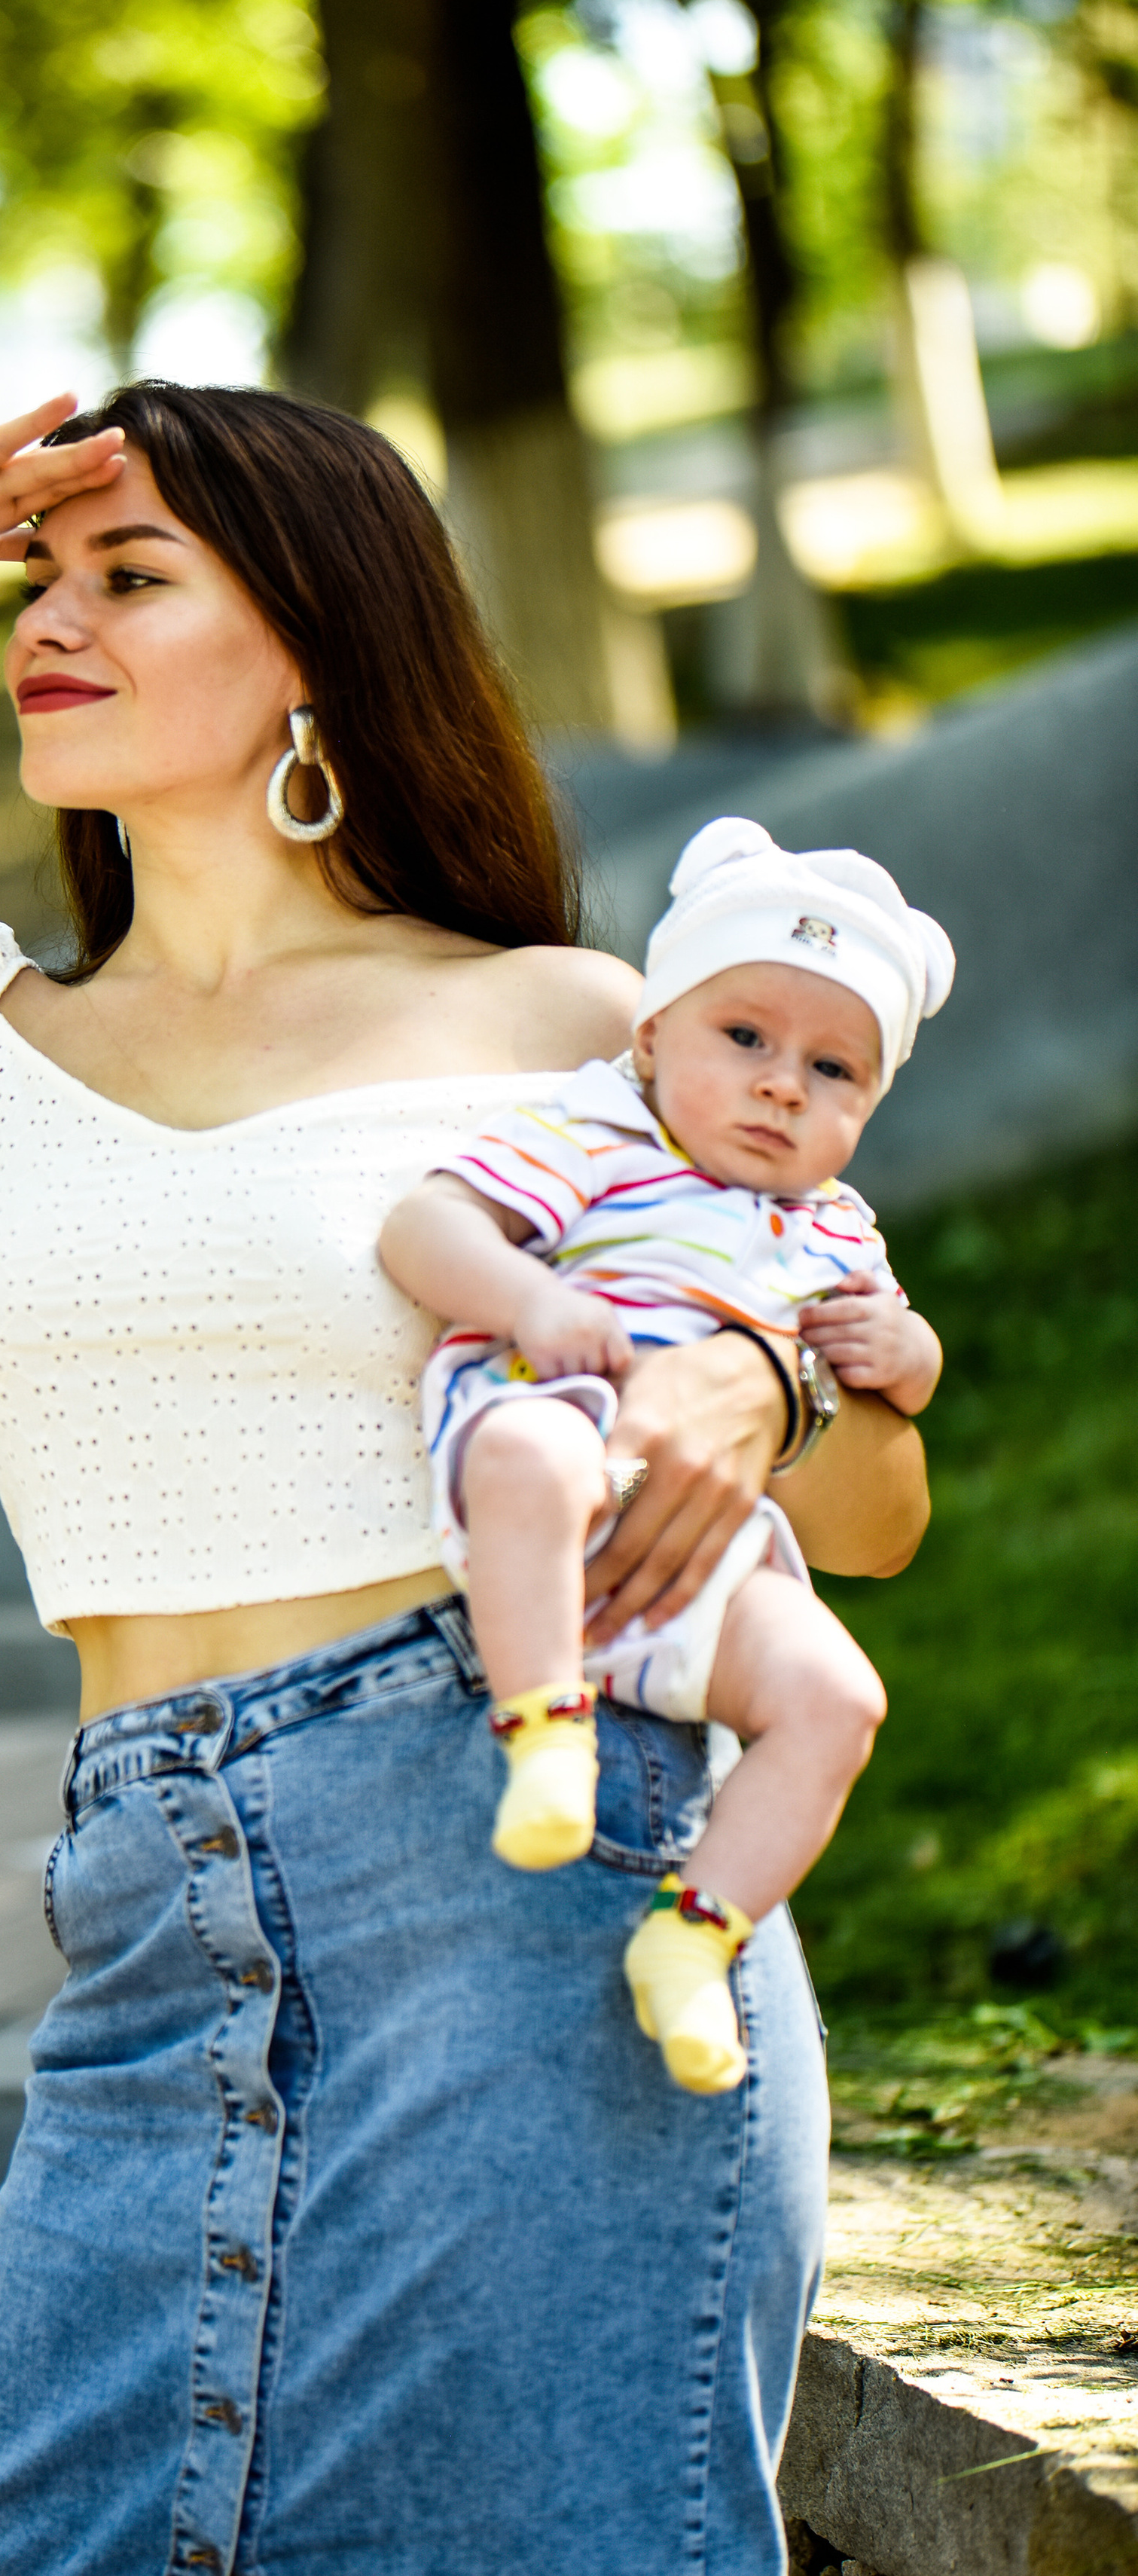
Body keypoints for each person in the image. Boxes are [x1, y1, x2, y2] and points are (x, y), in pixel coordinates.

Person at [0, 376, 929, 2576]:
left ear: (318, 645)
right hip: (154, 1914)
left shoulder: (573, 1020)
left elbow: (878, 1510)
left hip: (527, 1876)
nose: (49, 620)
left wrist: (763, 1376)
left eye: (130, 576)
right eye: (41, 580)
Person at [380, 816, 951, 2096]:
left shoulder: (834, 1231)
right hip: (569, 1462)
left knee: (838, 1700)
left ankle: (695, 1937)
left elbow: (902, 1384)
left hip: (701, 1549)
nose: (783, 1086)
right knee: (537, 1452)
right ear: (649, 1040)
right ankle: (547, 1733)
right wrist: (530, 1303)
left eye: (834, 1069)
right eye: (744, 1037)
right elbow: (424, 1229)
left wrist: (905, 1348)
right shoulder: (598, 1134)